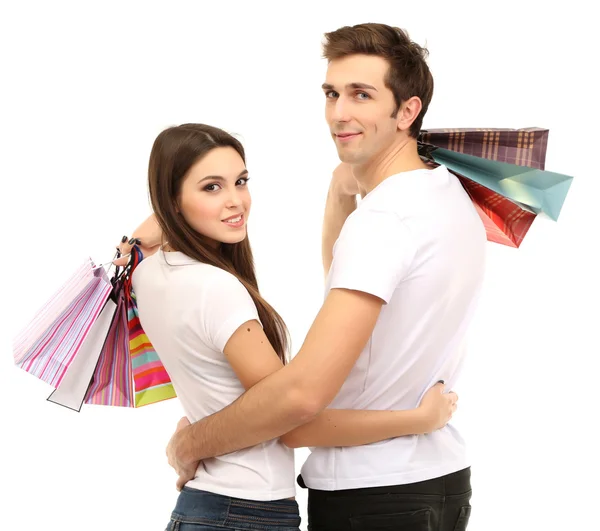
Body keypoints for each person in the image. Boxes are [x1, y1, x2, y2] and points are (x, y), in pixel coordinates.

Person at [128, 122, 458, 531]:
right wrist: (420, 420)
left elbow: (138, 238)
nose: (236, 202)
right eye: (211, 187)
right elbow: (297, 420)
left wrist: (339, 192)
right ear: (172, 200)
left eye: (241, 181)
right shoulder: (215, 288)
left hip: (205, 508)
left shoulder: (143, 273)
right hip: (248, 513)